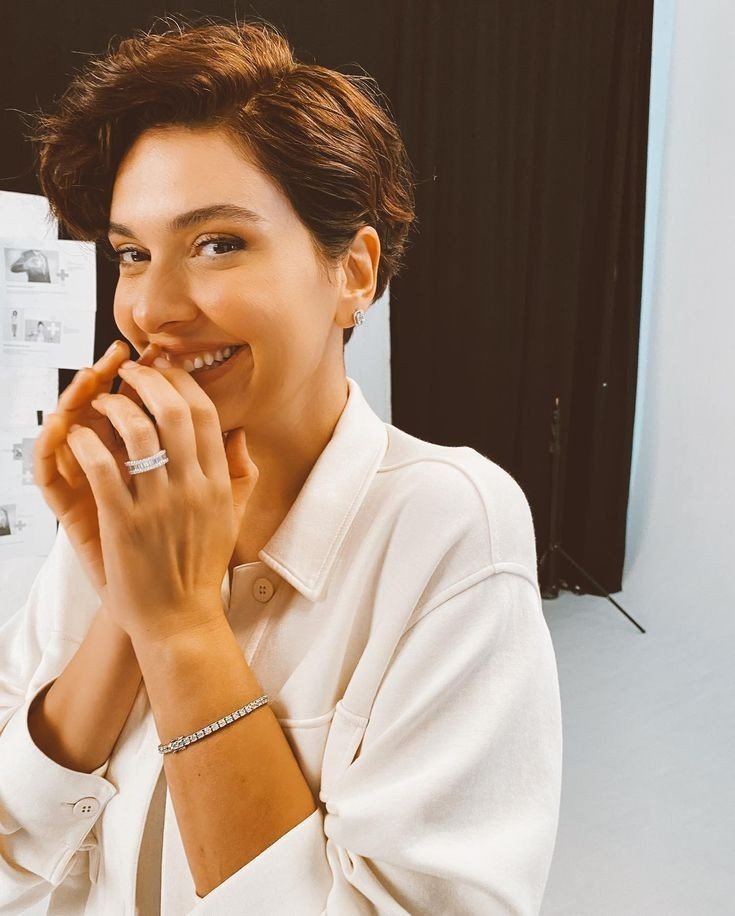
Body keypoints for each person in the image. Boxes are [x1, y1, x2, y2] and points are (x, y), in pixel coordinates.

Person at [0, 15, 562, 915]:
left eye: (218, 243)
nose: (152, 308)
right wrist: (124, 613)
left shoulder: (445, 521)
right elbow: (13, 866)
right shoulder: (128, 507)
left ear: (354, 273)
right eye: (133, 254)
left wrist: (181, 628)